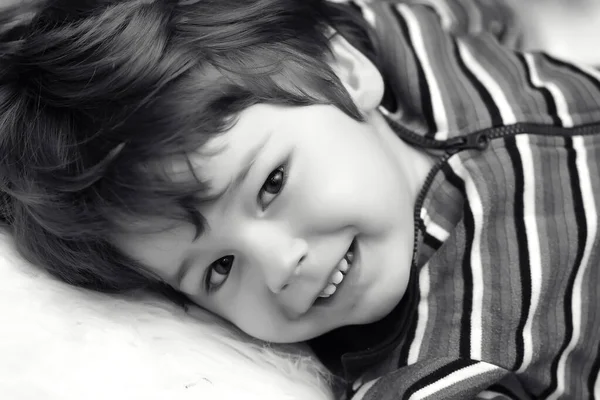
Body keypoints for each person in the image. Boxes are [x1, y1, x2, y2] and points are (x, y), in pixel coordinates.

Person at [1, 0, 599, 399]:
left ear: (348, 71)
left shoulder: (406, 41)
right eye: (219, 269)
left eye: (271, 185)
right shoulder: (447, 358)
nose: (279, 265)